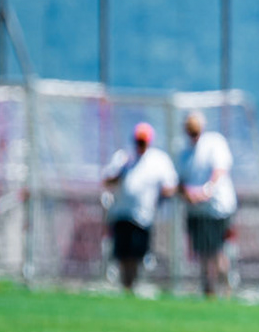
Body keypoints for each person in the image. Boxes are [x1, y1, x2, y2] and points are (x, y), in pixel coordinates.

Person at [100, 122, 177, 291]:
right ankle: (125, 285)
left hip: (143, 216)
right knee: (122, 254)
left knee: (136, 254)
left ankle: (132, 284)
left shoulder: (158, 160)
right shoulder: (123, 158)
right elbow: (106, 180)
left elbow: (170, 185)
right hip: (121, 214)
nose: (140, 145)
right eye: (138, 141)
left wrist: (161, 197)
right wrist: (121, 171)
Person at [175, 111, 237, 298]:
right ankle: (208, 290)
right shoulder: (184, 153)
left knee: (217, 251)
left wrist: (206, 191)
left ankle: (225, 288)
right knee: (202, 252)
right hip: (196, 211)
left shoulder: (214, 143)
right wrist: (188, 194)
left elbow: (219, 170)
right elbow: (178, 182)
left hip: (217, 209)